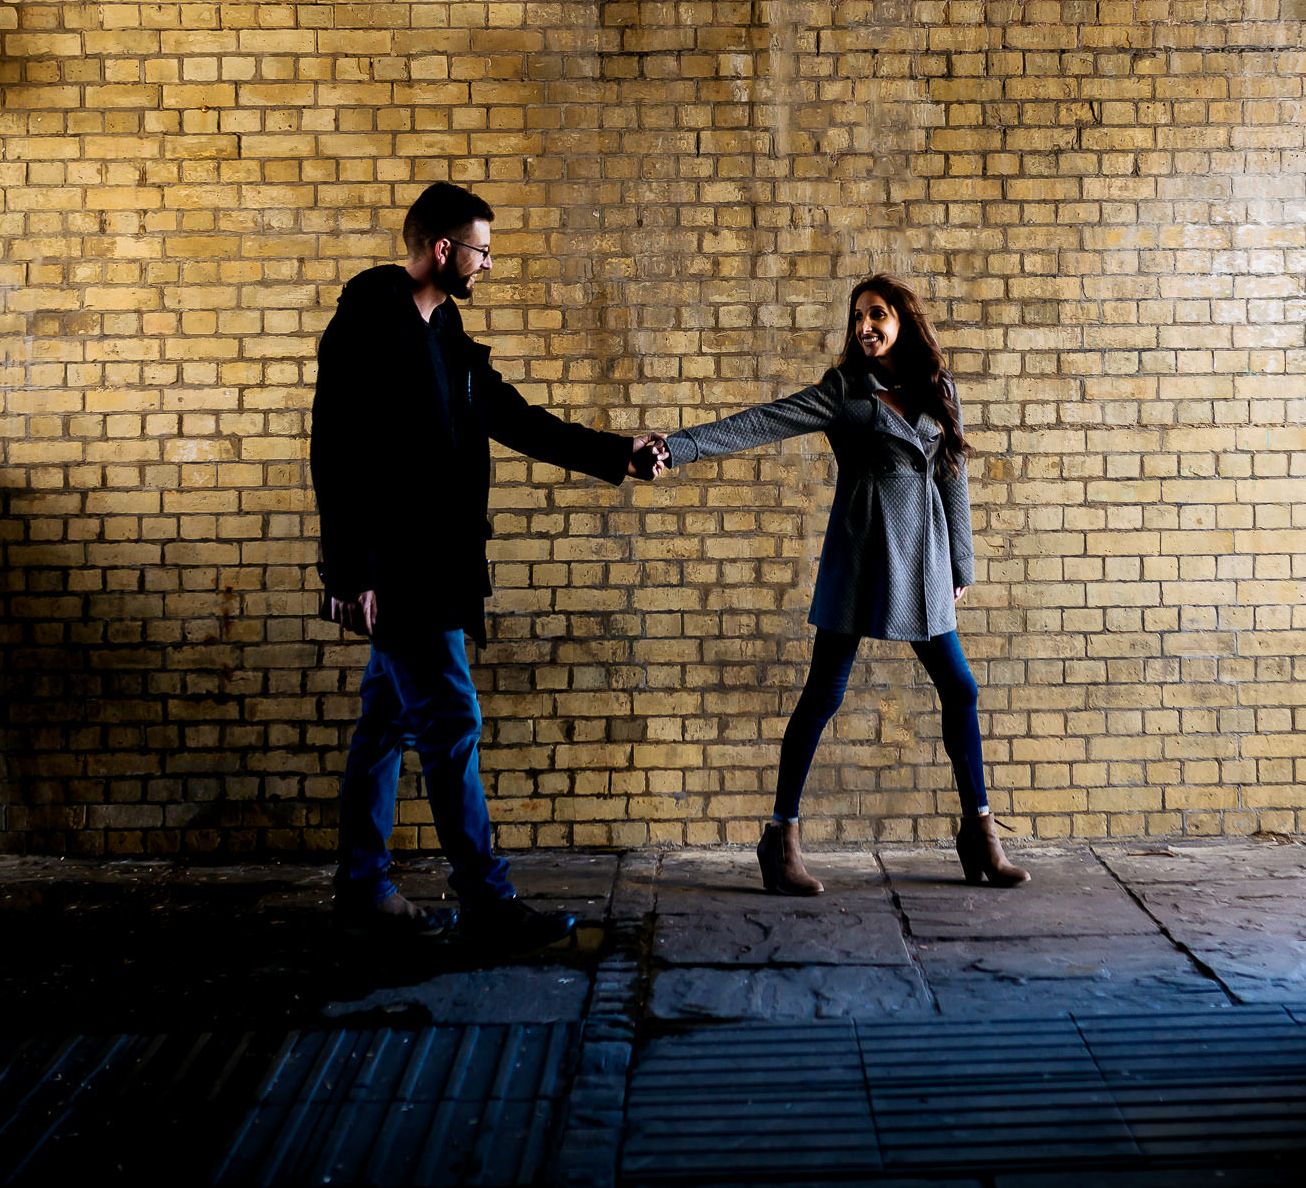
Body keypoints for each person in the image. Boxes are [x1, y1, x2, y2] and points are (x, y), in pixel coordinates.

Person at [311, 182, 665, 952]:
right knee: (451, 720)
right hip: (398, 574)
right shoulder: (366, 325)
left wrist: (619, 453)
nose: (487, 265)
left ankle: (363, 891)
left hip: (437, 569)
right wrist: (348, 573)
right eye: (481, 250)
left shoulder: (449, 341)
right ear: (443, 249)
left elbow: (519, 420)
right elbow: (335, 452)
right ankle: (487, 900)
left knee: (384, 726)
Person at [651, 274, 1027, 894]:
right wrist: (678, 448)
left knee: (960, 687)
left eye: (877, 315)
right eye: (857, 317)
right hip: (860, 555)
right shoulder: (845, 391)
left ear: (903, 320)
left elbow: (951, 472)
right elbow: (761, 422)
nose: (864, 327)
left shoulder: (937, 387)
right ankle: (781, 836)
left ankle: (980, 836)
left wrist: (962, 563)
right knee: (824, 693)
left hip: (924, 553)